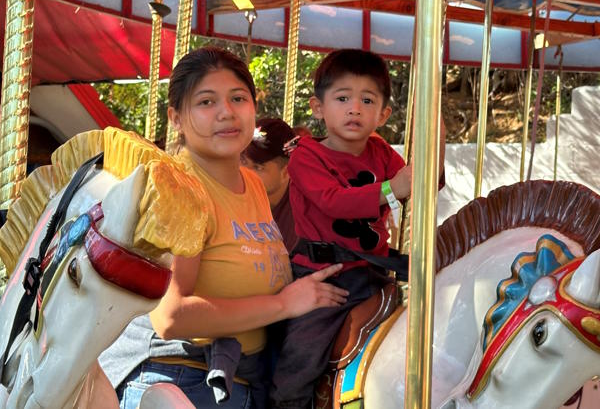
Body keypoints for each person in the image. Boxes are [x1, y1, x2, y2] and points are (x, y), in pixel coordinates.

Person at [99, 47, 349, 409]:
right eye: (206, 102)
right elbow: (172, 315)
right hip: (182, 377)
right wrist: (282, 304)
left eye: (238, 98)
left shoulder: (251, 184)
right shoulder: (178, 188)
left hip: (244, 378)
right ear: (176, 117)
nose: (226, 112)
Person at [270, 49, 445, 408]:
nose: (355, 108)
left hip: (374, 275)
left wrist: (433, 124)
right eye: (343, 98)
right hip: (324, 278)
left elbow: (427, 183)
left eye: (367, 100)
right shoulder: (306, 156)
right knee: (297, 366)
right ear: (318, 107)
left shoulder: (379, 150)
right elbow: (333, 201)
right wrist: (389, 189)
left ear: (383, 114)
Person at [241, 118, 298, 252]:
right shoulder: (232, 199)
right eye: (242, 161)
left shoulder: (302, 218)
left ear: (286, 172)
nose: (244, 173)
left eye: (258, 167)